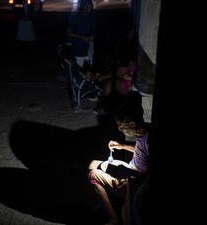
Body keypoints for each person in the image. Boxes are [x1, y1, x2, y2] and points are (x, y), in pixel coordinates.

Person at [88, 91, 149, 225]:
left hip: (134, 180)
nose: (121, 130)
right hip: (131, 169)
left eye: (123, 127)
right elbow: (140, 152)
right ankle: (108, 200)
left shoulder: (148, 140)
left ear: (132, 124)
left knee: (93, 174)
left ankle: (112, 218)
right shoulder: (144, 132)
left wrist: (127, 174)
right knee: (93, 164)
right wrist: (122, 146)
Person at [67, 0, 96, 67]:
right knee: (79, 68)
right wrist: (82, 37)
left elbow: (94, 32)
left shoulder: (91, 17)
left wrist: (92, 37)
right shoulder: (75, 17)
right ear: (83, 7)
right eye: (88, 7)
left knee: (88, 69)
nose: (89, 9)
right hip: (78, 48)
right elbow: (69, 33)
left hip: (89, 48)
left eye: (91, 7)